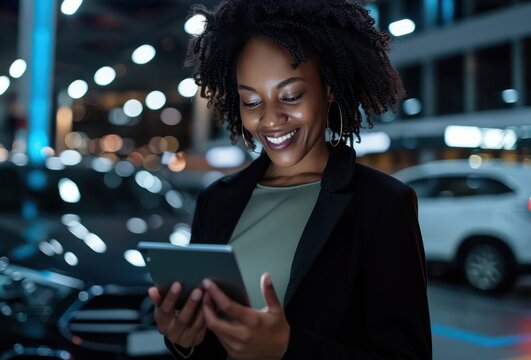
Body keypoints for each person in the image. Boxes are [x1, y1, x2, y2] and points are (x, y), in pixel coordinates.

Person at [147, 0, 432, 358]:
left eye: (291, 95)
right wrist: (184, 340)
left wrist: (287, 347)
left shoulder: (382, 204)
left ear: (328, 87)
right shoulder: (217, 199)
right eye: (251, 101)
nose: (270, 119)